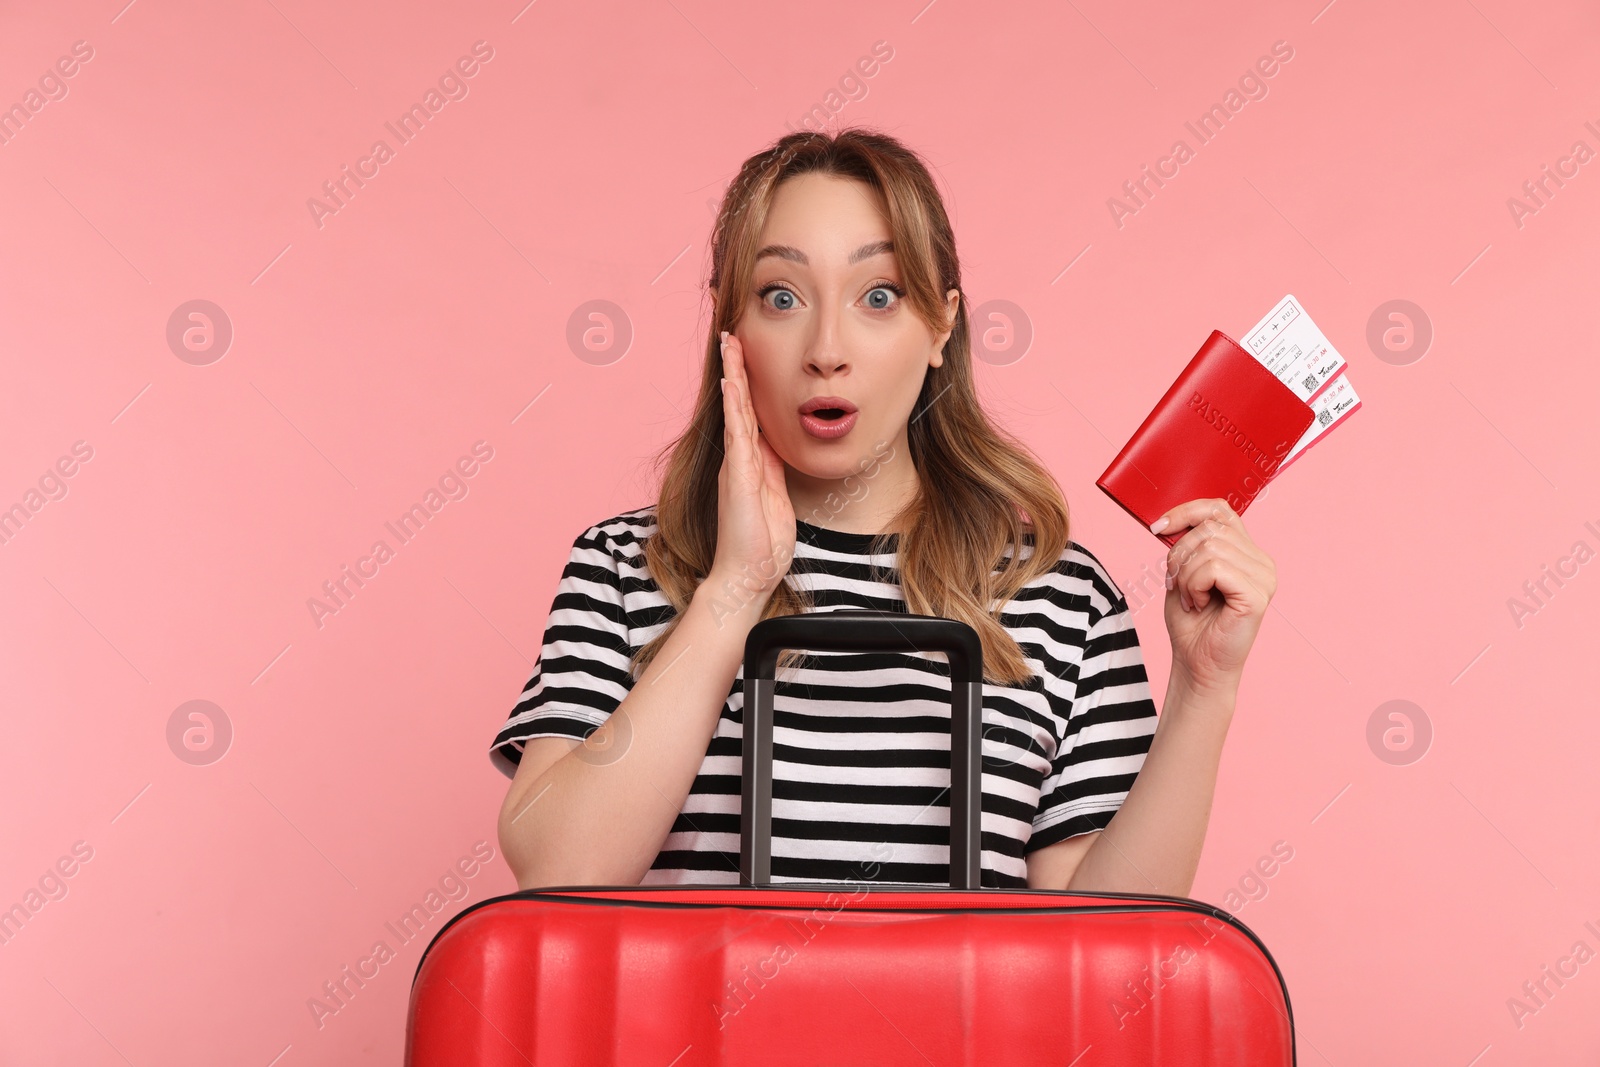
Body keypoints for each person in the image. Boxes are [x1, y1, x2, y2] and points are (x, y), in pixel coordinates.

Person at [491, 128, 1277, 894]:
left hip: (967, 1034)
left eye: (878, 295)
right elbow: (562, 873)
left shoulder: (1062, 597)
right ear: (731, 329)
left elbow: (1101, 938)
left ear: (941, 324)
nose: (826, 347)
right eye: (781, 296)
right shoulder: (624, 569)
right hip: (695, 1032)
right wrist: (734, 589)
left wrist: (1205, 689)